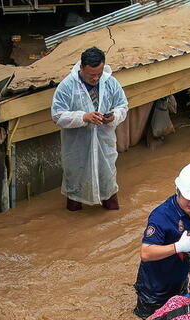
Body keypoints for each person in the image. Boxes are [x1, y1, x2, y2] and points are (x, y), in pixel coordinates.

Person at [51, 46, 128, 212]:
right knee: (75, 189)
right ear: (81, 68)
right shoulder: (67, 86)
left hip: (104, 145)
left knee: (108, 184)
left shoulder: (110, 82)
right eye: (91, 75)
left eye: (99, 74)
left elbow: (122, 106)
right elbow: (57, 115)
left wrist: (113, 116)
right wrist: (83, 118)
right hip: (77, 148)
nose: (95, 78)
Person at [133, 163, 190, 319]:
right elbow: (146, 253)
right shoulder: (161, 216)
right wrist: (177, 247)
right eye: (188, 198)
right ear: (178, 190)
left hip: (180, 280)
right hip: (155, 290)